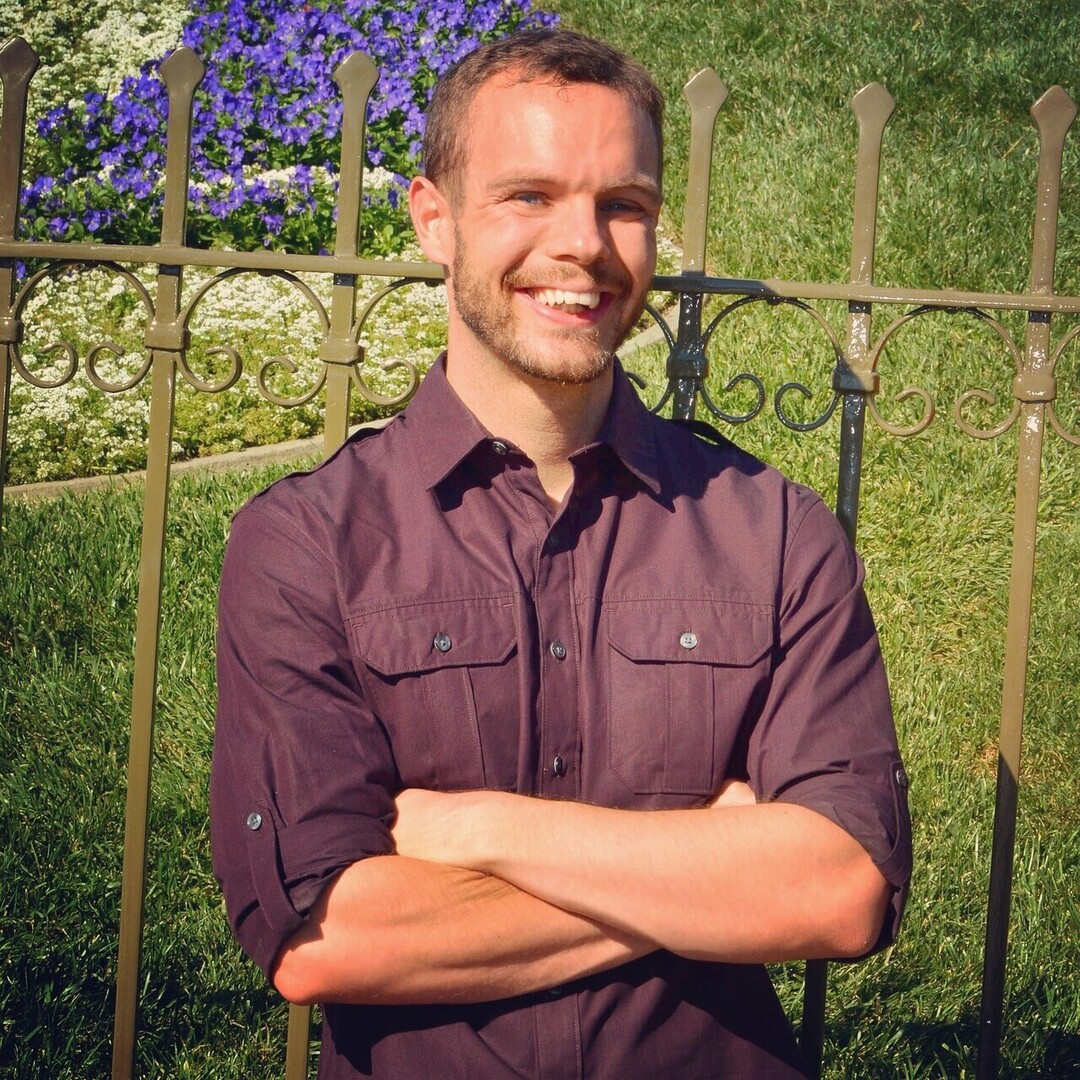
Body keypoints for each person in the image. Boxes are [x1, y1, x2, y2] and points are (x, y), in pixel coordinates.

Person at [211, 27, 911, 1079]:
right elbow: (328, 938)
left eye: (623, 204)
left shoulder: (773, 532)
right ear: (435, 221)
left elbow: (841, 890)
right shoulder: (307, 542)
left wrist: (487, 831)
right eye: (528, 196)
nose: (583, 244)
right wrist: (709, 868)